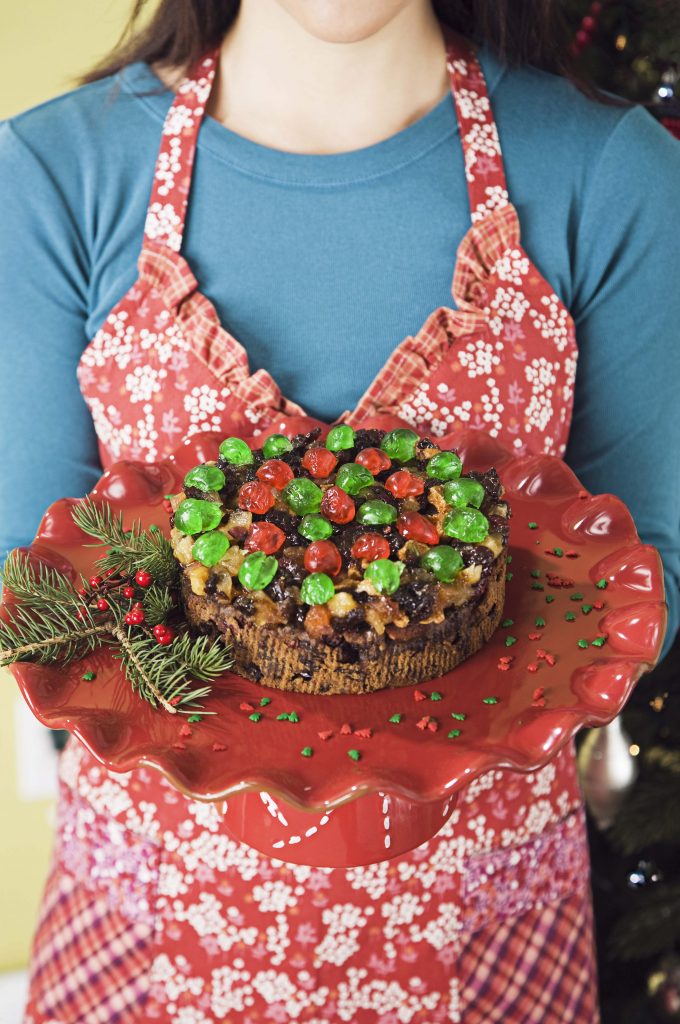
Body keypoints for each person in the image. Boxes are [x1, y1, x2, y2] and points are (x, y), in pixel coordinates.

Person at [1, 1, 679, 1021]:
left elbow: (644, 573)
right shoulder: (54, 172)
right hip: (148, 946)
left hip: (487, 949)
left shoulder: (606, 171)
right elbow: (31, 587)